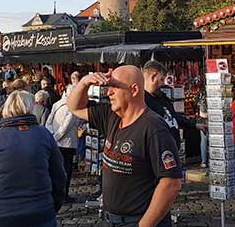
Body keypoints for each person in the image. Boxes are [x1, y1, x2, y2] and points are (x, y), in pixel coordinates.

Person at [68, 66, 183, 227]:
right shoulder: (111, 116)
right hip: (113, 219)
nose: (109, 92)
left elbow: (171, 183)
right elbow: (75, 107)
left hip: (139, 220)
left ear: (134, 89)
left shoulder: (154, 127)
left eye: (115, 87)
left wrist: (143, 225)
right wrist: (85, 82)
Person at [0, 90, 66, 227]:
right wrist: (50, 207)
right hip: (39, 214)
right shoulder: (44, 135)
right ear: (30, 108)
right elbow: (59, 177)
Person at [142, 60, 205, 150]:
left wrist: (195, 125)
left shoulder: (162, 98)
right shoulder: (142, 101)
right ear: (153, 77)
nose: (163, 83)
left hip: (172, 151)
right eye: (161, 79)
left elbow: (173, 115)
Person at [45, 89, 83, 203]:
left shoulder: (57, 104)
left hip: (58, 142)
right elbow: (66, 126)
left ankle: (58, 192)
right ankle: (63, 194)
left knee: (58, 167)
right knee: (66, 169)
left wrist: (52, 135)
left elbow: (49, 122)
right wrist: (56, 137)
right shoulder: (72, 107)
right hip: (67, 143)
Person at [197, 87, 208, 168]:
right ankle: (206, 160)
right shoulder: (205, 95)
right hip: (206, 119)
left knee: (203, 140)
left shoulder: (201, 95)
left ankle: (204, 161)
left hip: (202, 118)